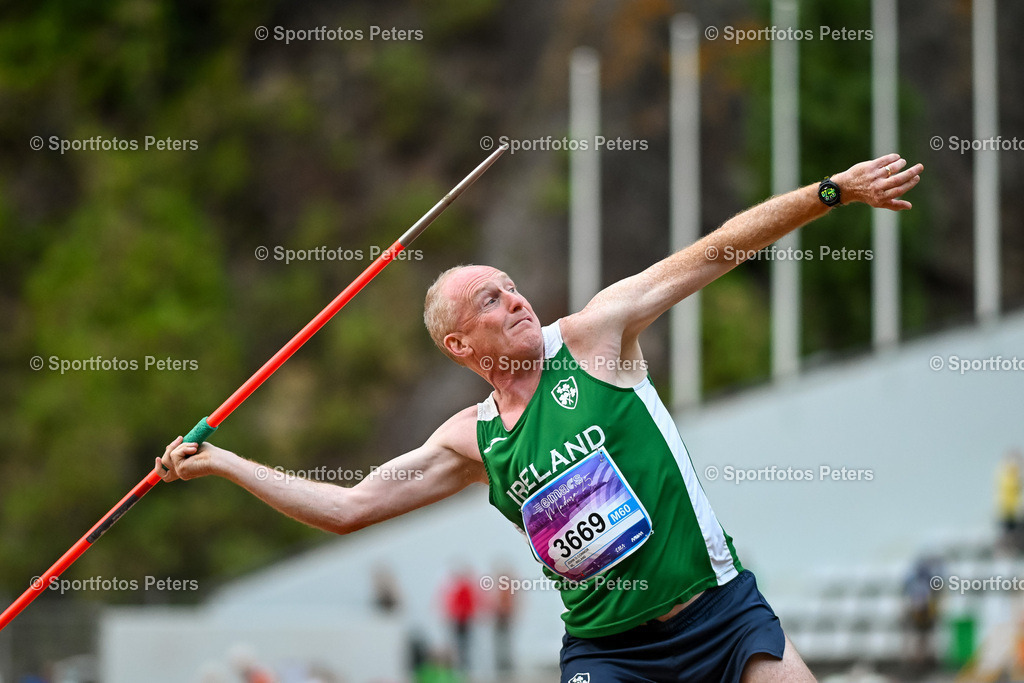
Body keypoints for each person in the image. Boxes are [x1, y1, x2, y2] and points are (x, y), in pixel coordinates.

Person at [158, 153, 923, 683]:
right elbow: (349, 507)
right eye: (491, 298)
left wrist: (832, 192)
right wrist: (224, 462)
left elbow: (717, 249)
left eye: (513, 285)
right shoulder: (470, 439)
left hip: (719, 611)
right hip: (608, 649)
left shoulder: (596, 336)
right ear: (461, 343)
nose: (516, 298)